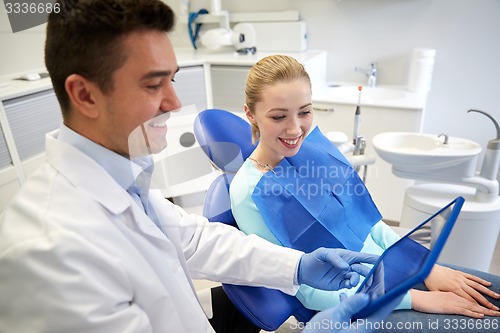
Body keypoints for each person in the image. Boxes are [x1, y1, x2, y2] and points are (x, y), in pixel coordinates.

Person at [0, 1, 399, 333]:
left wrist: (298, 266)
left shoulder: (122, 182)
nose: (175, 103)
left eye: (172, 80)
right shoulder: (51, 253)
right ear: (84, 95)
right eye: (154, 85)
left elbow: (194, 240)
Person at [229, 54, 500, 328]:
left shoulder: (311, 147)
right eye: (278, 116)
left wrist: (424, 266)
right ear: (250, 113)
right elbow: (306, 289)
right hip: (354, 303)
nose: (295, 128)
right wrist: (412, 298)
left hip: (397, 270)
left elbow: (368, 222)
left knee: (495, 291)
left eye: (305, 112)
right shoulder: (249, 193)